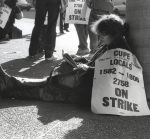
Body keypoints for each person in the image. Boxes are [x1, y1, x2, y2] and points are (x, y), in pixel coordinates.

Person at [0, 14, 131, 106]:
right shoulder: (110, 44)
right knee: (49, 82)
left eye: (102, 35)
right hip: (84, 81)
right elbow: (99, 63)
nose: (100, 38)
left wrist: (87, 69)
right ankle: (9, 83)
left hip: (87, 89)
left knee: (48, 88)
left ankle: (9, 85)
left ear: (113, 33)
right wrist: (82, 60)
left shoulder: (119, 50)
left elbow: (110, 74)